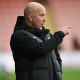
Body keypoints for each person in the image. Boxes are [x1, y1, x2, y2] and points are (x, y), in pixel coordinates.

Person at [10, 2, 74, 80]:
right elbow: (41, 49)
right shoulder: (19, 36)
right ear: (30, 17)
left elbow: (56, 58)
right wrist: (60, 34)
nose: (45, 19)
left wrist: (58, 74)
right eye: (41, 15)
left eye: (45, 15)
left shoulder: (47, 34)